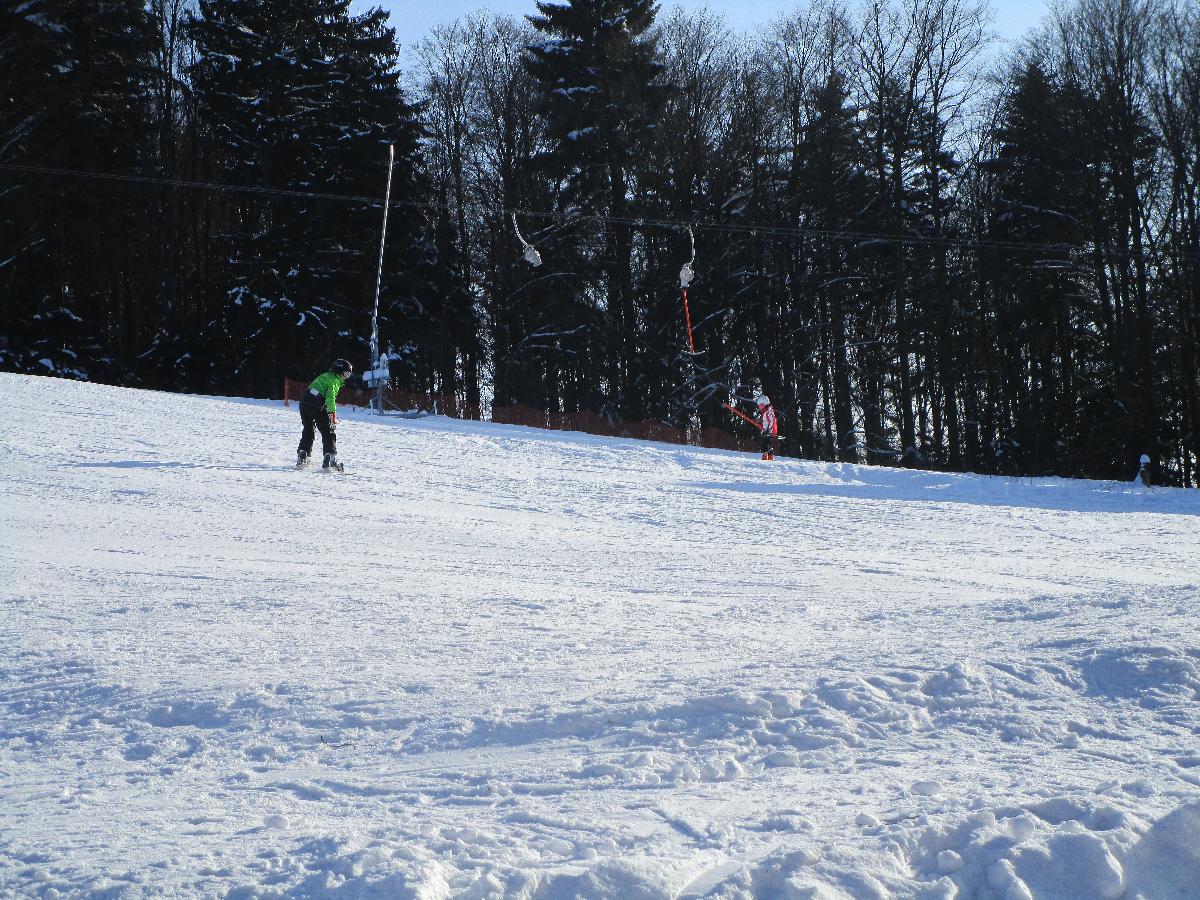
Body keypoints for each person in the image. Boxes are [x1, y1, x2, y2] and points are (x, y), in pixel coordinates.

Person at [297, 359, 354, 471]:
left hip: (304, 402)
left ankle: (303, 455)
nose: (347, 377)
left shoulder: (325, 375)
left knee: (308, 429)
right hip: (317, 405)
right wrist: (332, 416)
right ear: (339, 371)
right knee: (328, 432)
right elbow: (330, 398)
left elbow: (312, 388)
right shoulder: (335, 381)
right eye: (346, 374)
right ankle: (330, 458)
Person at [756, 394, 778, 461]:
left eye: (761, 405)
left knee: (765, 443)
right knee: (768, 443)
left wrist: (768, 430)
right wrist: (760, 424)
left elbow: (771, 421)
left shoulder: (769, 411)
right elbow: (765, 422)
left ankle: (765, 456)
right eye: (759, 406)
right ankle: (770, 456)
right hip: (766, 431)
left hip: (769, 431)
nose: (759, 407)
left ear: (764, 404)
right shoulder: (765, 412)